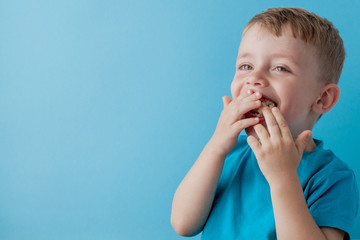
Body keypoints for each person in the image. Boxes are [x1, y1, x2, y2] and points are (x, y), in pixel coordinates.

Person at [171, 7, 359, 240]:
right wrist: (216, 146)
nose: (255, 78)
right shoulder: (228, 154)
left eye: (280, 68)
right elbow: (183, 224)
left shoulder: (332, 177)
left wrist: (283, 177)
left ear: (322, 99)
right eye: (246, 66)